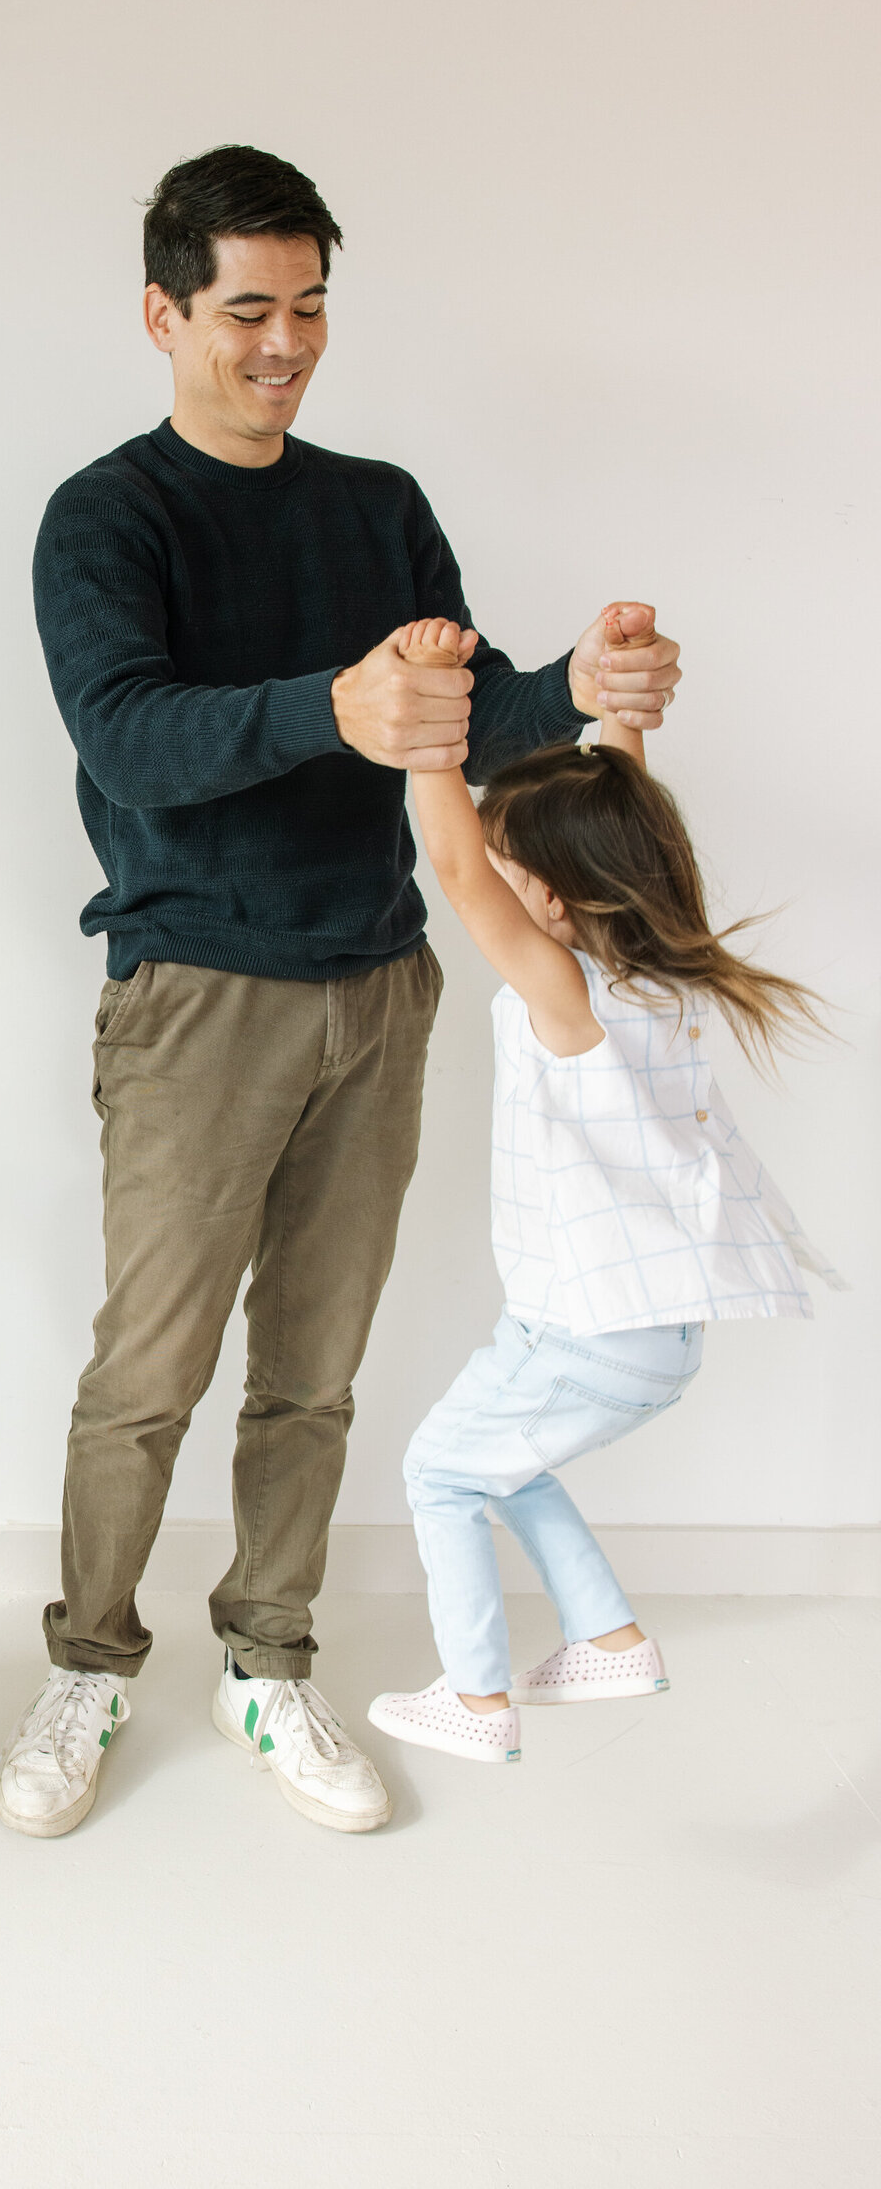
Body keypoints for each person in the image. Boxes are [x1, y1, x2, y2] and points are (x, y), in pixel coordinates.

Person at [0, 144, 685, 1840]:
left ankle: (267, 1652)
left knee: (313, 1367)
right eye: (247, 309)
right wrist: (332, 703)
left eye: (308, 307)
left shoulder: (376, 504)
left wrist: (577, 691)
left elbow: (465, 703)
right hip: (196, 994)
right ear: (162, 312)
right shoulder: (109, 515)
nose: (284, 342)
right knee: (145, 1372)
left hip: (379, 986)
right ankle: (88, 1660)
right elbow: (130, 735)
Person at [367, 612, 840, 1762]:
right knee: (501, 1460)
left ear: (557, 901)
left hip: (585, 1328)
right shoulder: (654, 972)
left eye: (514, 867)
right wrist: (616, 712)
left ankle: (476, 1701)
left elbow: (456, 875)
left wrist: (430, 730)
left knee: (437, 1470)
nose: (497, 879)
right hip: (632, 1327)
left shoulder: (563, 992)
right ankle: (607, 1635)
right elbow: (621, 812)